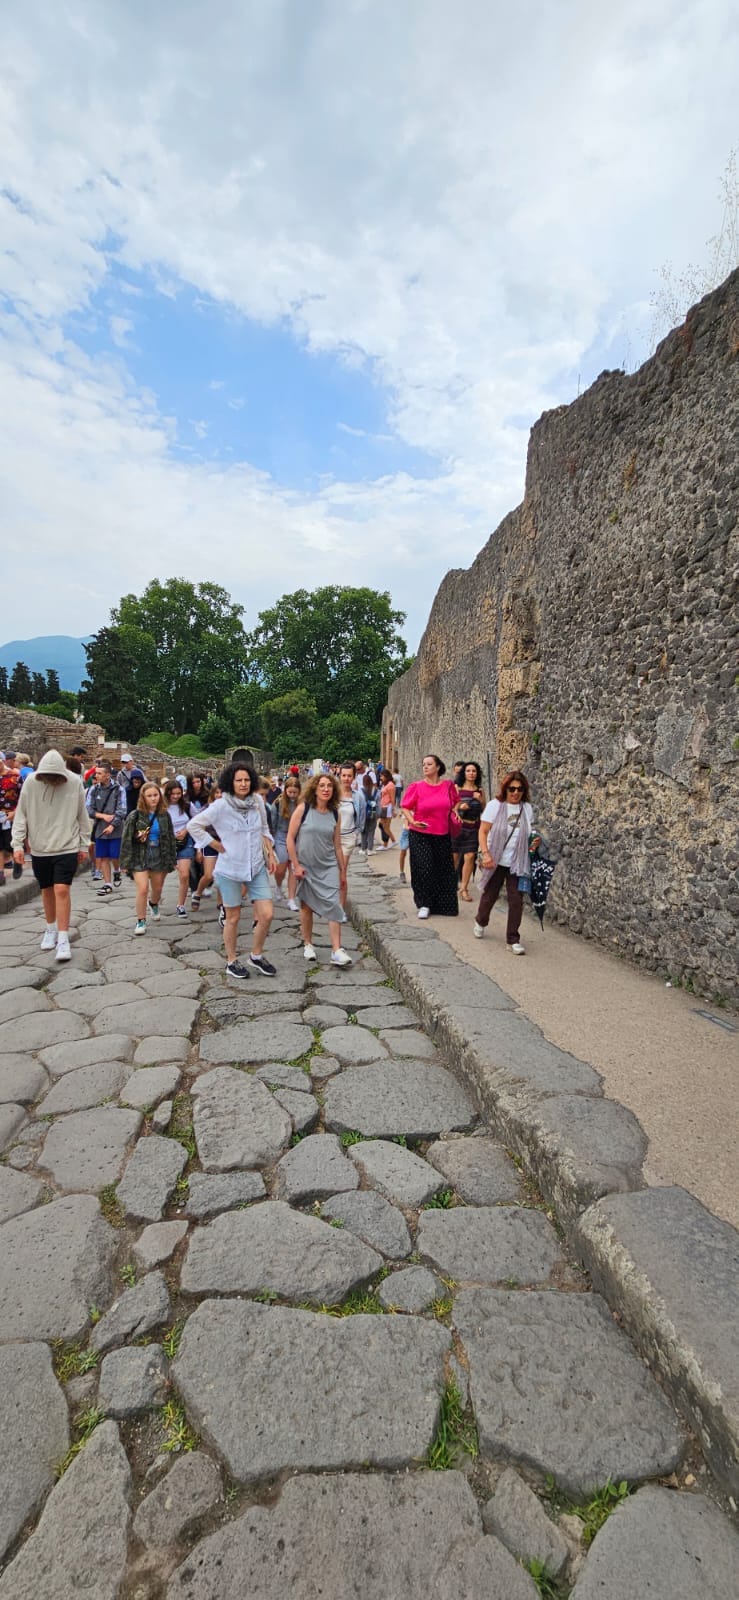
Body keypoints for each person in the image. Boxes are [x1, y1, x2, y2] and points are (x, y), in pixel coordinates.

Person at [187, 761, 277, 981]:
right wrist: (213, 844)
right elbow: (193, 825)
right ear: (231, 782)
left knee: (267, 914)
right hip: (230, 869)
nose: (243, 784)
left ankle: (256, 955)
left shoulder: (257, 801)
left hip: (256, 866)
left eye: (247, 780)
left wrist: (270, 851)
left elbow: (264, 829)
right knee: (233, 917)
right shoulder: (221, 805)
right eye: (239, 780)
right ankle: (231, 960)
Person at [11, 749, 91, 960]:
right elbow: (21, 814)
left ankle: (63, 939)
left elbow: (82, 815)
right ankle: (51, 928)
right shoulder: (31, 782)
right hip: (40, 846)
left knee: (62, 889)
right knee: (46, 889)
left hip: (67, 845)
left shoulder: (74, 782)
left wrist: (84, 845)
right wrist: (17, 845)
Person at [286, 772, 352, 967]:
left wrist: (342, 871)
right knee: (306, 907)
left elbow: (337, 845)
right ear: (314, 789)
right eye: (322, 785)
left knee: (334, 905)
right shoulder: (303, 809)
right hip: (306, 866)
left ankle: (336, 950)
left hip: (328, 865)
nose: (325, 789)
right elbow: (290, 838)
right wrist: (296, 865)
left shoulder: (335, 814)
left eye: (329, 786)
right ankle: (308, 943)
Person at [473, 770, 539, 954]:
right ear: (505, 789)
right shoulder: (495, 806)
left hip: (518, 862)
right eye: (512, 789)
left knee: (516, 900)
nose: (516, 792)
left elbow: (529, 833)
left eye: (520, 789)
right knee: (490, 895)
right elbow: (483, 831)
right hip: (495, 860)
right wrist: (485, 854)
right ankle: (480, 920)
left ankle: (513, 939)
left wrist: (534, 843)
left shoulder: (526, 808)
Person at [401, 755, 459, 919]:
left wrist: (456, 811)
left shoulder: (448, 786)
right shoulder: (417, 787)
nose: (425, 767)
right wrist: (413, 821)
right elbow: (405, 807)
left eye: (429, 764)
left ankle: (442, 906)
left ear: (438, 767)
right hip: (420, 834)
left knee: (442, 869)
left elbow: (455, 802)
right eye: (424, 764)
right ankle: (424, 904)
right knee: (424, 868)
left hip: (442, 833)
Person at [120, 781, 177, 935]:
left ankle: (153, 903)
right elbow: (126, 838)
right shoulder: (135, 815)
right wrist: (124, 861)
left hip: (159, 854)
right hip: (140, 855)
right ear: (143, 798)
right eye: (149, 796)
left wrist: (172, 858)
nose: (153, 798)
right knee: (143, 888)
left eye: (155, 795)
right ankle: (141, 920)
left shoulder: (164, 815)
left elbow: (170, 838)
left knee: (157, 888)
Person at [86, 759, 127, 895]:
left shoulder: (119, 789)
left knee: (114, 855)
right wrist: (102, 816)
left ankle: (117, 870)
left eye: (99, 773)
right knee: (103, 856)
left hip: (116, 828)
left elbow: (122, 810)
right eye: (96, 773)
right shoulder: (93, 789)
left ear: (107, 775)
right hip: (100, 828)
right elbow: (89, 809)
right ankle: (107, 884)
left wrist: (113, 825)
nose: (96, 776)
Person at [454, 761, 486, 901]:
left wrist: (480, 800)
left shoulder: (480, 790)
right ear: (464, 773)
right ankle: (449, 886)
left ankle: (464, 889)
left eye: (474, 771)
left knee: (470, 857)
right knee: (454, 858)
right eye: (468, 771)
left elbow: (484, 809)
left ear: (477, 773)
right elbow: (451, 807)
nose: (471, 773)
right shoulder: (457, 788)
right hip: (458, 827)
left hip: (474, 828)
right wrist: (461, 806)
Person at [269, 774, 302, 907]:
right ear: (285, 790)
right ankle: (278, 886)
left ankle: (291, 899)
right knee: (281, 867)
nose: (292, 795)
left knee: (293, 867)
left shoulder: (302, 803)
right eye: (290, 792)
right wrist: (272, 842)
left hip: (296, 837)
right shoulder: (278, 803)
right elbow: (273, 823)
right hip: (281, 836)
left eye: (295, 792)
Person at [337, 762, 366, 909]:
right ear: (340, 776)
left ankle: (341, 908)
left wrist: (356, 833)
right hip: (332, 838)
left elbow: (362, 817)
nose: (346, 778)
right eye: (344, 775)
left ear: (354, 777)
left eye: (349, 776)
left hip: (348, 838)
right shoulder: (333, 794)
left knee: (342, 871)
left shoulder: (358, 797)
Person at [164, 778, 194, 916]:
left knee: (184, 874)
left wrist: (186, 830)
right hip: (167, 843)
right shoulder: (162, 807)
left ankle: (180, 905)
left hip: (185, 842)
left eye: (178, 793)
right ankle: (154, 899)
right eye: (173, 794)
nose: (176, 796)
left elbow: (197, 820)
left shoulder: (187, 806)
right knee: (160, 875)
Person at [0, 751, 23, 885]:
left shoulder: (15, 777)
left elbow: (23, 797)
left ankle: (17, 860)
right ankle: (1, 874)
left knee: (11, 843)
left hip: (12, 815)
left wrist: (16, 811)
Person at [359, 771, 380, 856]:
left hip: (364, 814)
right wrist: (378, 815)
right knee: (371, 831)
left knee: (363, 831)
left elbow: (359, 804)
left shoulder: (361, 791)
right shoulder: (377, 791)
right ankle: (370, 849)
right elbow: (379, 804)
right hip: (373, 813)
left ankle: (363, 849)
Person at [377, 768, 397, 848]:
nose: (380, 778)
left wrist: (393, 810)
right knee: (383, 826)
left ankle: (387, 844)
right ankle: (392, 841)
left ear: (386, 776)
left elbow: (392, 798)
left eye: (381, 776)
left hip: (387, 807)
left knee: (384, 826)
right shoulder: (386, 784)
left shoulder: (390, 785)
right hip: (384, 807)